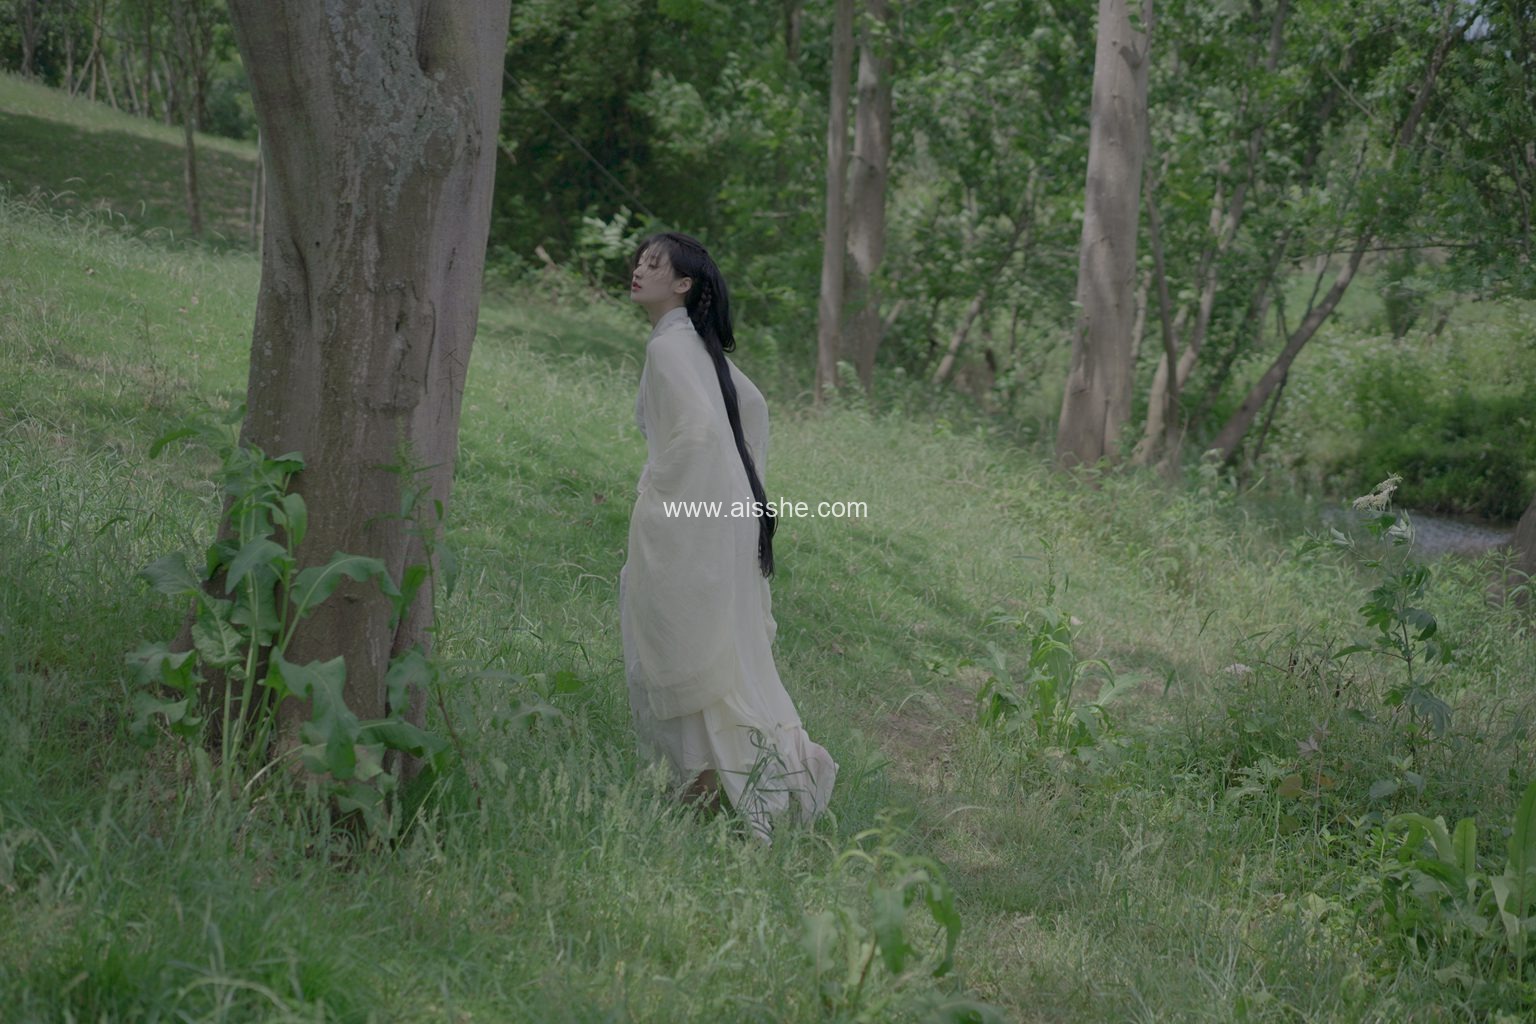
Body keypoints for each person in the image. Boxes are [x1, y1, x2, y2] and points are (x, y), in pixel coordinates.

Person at [619, 231, 837, 842]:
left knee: (685, 637)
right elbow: (753, 406)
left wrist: (658, 493)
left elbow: (698, 435)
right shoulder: (691, 343)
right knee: (723, 642)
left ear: (683, 285)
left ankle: (714, 789)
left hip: (698, 513)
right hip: (727, 513)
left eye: (655, 264)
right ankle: (743, 780)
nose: (639, 270)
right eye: (639, 261)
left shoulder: (670, 348)